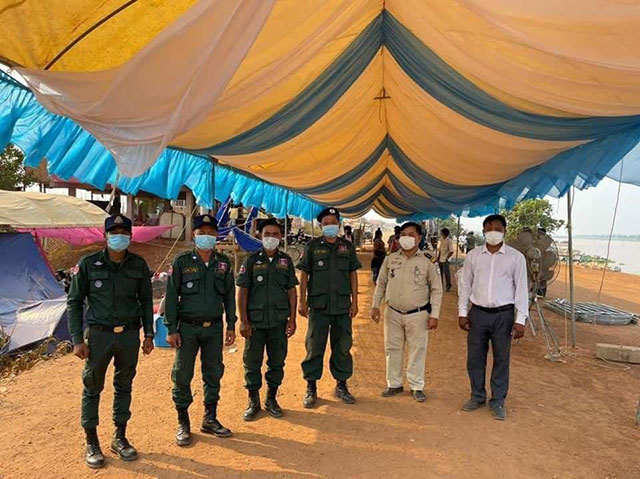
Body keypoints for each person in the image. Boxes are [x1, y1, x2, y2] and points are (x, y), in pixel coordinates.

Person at [67, 214, 154, 469]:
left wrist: (149, 334)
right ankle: (92, 441)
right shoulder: (88, 264)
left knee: (124, 385)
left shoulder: (138, 265)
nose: (119, 237)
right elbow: (74, 302)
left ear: (130, 236)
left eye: (124, 233)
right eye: (114, 233)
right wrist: (76, 339)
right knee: (92, 386)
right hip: (99, 336)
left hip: (128, 335)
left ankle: (120, 437)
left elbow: (146, 301)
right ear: (105, 236)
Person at [164, 214, 236, 446]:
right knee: (182, 374)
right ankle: (183, 422)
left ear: (217, 236)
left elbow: (229, 296)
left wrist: (231, 324)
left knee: (213, 372)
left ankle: (210, 418)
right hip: (187, 328)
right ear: (193, 235)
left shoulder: (223, 263)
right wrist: (171, 329)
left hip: (214, 328)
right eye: (202, 232)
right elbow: (171, 297)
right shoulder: (182, 262)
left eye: (211, 233)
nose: (206, 236)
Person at [458, 214, 528, 421]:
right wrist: (462, 312)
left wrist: (520, 319)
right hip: (478, 313)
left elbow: (521, 289)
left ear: (505, 231)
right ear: (483, 231)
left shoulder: (516, 258)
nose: (493, 232)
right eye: (489, 229)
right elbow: (465, 284)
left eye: (497, 229)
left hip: (503, 315)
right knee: (475, 358)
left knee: (501, 359)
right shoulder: (473, 256)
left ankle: (497, 400)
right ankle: (477, 396)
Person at [297, 207, 362, 407]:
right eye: (326, 223)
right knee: (314, 347)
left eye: (333, 222)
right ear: (320, 225)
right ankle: (311, 387)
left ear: (339, 224)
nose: (330, 226)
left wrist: (355, 301)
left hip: (342, 307)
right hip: (319, 306)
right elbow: (304, 274)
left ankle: (341, 385)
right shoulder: (312, 247)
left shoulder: (347, 247)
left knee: (342, 347)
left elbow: (352, 273)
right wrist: (301, 300)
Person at [371, 222, 442, 402]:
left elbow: (436, 289)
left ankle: (416, 386)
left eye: (411, 234)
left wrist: (434, 315)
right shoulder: (391, 258)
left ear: (419, 238)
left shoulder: (428, 260)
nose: (406, 238)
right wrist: (375, 305)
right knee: (392, 348)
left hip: (418, 314)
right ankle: (394, 384)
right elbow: (381, 283)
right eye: (403, 234)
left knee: (417, 350)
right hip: (393, 312)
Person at [237, 218, 299, 421]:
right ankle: (253, 401)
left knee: (277, 362)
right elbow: (242, 291)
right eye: (267, 234)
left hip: (278, 323)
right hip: (255, 323)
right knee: (252, 362)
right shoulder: (251, 261)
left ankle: (271, 399)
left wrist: (292, 319)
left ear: (281, 237)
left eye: (275, 234)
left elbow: (292, 291)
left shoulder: (286, 261)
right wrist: (243, 320)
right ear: (260, 236)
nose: (271, 238)